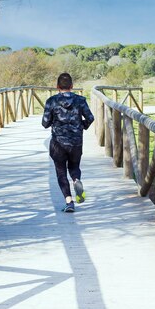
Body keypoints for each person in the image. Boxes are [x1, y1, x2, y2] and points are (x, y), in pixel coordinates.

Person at [42, 73, 95, 212]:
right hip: (76, 142)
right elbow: (90, 117)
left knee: (61, 172)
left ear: (57, 86)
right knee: (74, 167)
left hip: (58, 143)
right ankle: (76, 180)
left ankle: (69, 202)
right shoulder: (80, 100)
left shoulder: (51, 101)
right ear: (72, 86)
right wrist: (81, 126)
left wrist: (54, 121)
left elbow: (45, 123)